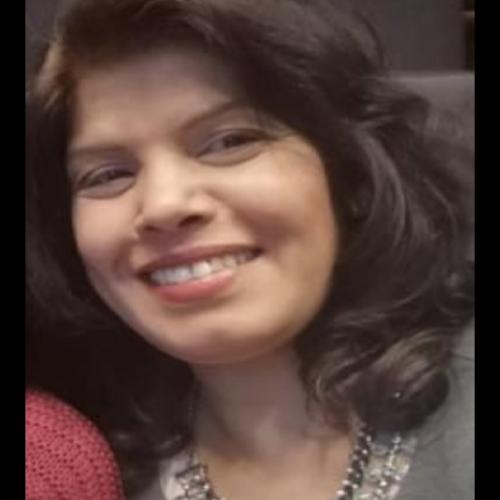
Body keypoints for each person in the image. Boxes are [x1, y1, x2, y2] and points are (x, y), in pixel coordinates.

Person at [26, 1, 474, 499]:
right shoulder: (68, 470)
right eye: (108, 174)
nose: (165, 205)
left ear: (352, 173)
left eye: (229, 142)